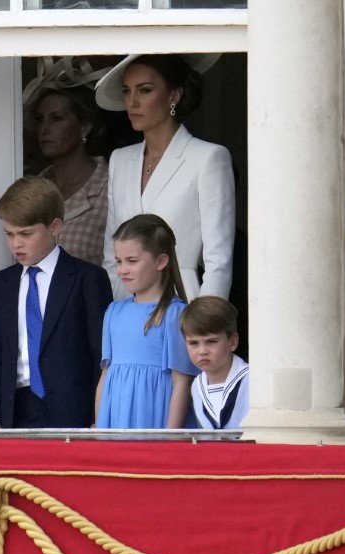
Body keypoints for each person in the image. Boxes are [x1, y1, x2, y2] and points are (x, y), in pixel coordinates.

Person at [95, 53, 236, 302]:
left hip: (182, 305)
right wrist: (116, 312)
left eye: (145, 90)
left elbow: (218, 260)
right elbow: (111, 252)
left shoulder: (208, 158)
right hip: (128, 307)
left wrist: (205, 325)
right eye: (127, 91)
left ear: (174, 95)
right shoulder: (120, 159)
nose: (132, 102)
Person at [0, 176, 112, 429]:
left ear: (55, 227)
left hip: (74, 411)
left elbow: (102, 357)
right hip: (16, 410)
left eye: (25, 233)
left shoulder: (88, 279)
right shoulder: (0, 285)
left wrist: (99, 418)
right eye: (9, 234)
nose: (15, 243)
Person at [94, 214, 197, 429]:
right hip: (116, 419)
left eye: (132, 261)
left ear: (161, 261)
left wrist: (171, 436)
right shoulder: (114, 312)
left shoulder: (175, 314)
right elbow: (105, 376)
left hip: (155, 418)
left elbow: (182, 382)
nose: (122, 270)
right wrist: (100, 425)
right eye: (119, 261)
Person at [32, 87, 109, 267]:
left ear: (84, 128)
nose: (44, 129)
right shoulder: (32, 189)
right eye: (39, 120)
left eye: (56, 119)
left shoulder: (110, 188)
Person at [180, 295, 249, 432]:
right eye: (193, 343)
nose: (202, 351)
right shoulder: (196, 386)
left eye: (211, 342)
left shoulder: (252, 381)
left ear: (232, 342)